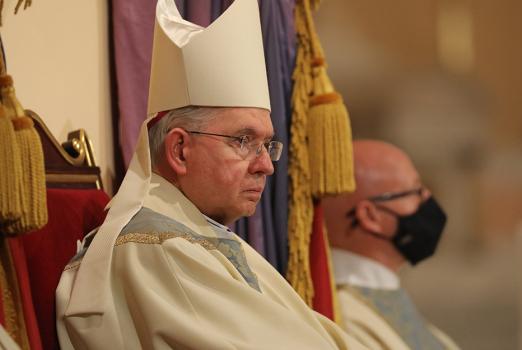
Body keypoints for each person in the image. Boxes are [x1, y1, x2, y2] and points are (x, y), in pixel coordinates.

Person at [55, 0, 371, 349]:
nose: (266, 165)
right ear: (179, 151)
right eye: (243, 140)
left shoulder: (202, 235)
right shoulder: (158, 250)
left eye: (267, 144)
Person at [323, 140, 460, 350]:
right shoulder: (341, 317)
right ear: (371, 216)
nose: (428, 198)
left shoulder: (385, 293)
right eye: (415, 191)